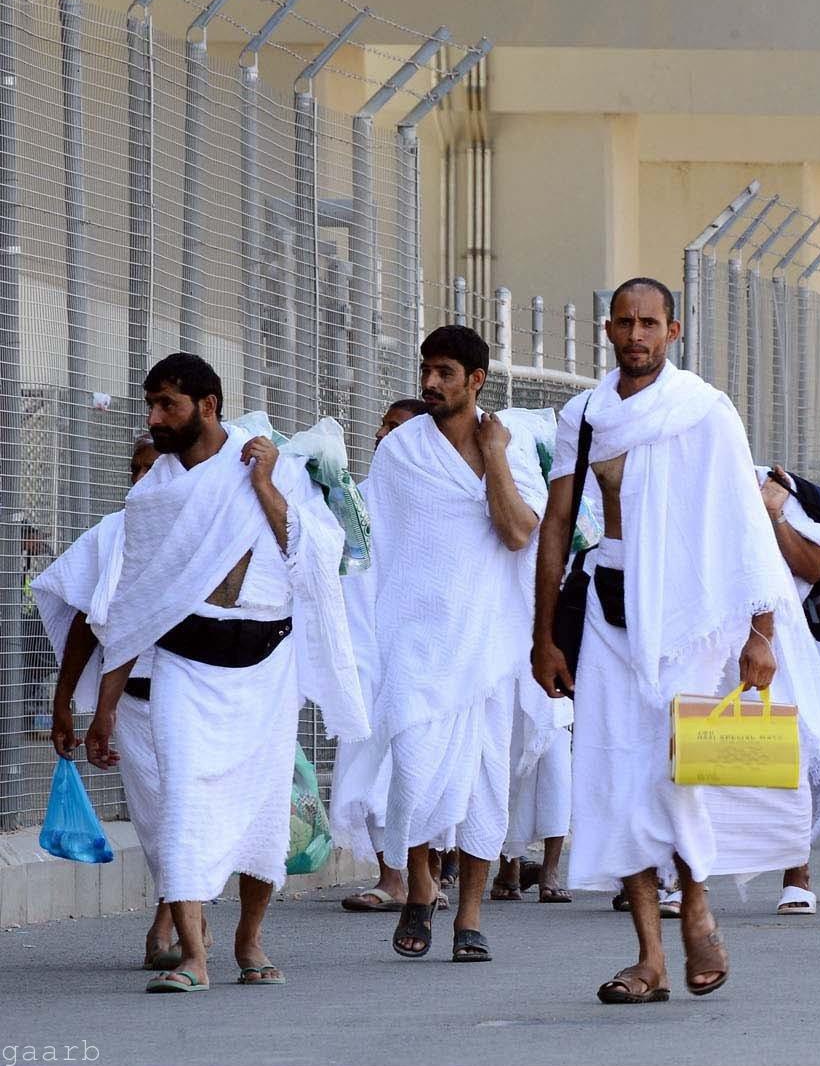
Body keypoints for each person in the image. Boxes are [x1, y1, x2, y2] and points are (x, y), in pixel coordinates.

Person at [530, 278, 820, 1005]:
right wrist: (542, 635)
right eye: (624, 323)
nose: (635, 335)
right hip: (608, 614)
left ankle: (695, 901)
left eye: (649, 323)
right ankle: (648, 958)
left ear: (673, 331)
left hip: (691, 618)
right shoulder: (583, 416)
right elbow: (556, 524)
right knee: (614, 781)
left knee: (677, 772)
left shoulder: (704, 411)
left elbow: (743, 521)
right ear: (607, 330)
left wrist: (760, 634)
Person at [86, 352, 369, 993]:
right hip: (185, 668)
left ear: (208, 406)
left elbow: (318, 555)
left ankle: (249, 940)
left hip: (267, 668)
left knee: (263, 811)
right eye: (151, 404)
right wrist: (104, 707)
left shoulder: (270, 464)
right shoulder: (151, 495)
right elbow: (134, 604)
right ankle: (193, 954)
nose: (155, 418)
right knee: (184, 800)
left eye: (168, 405)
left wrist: (266, 488)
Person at [361, 326, 548, 964]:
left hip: (488, 643)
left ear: (476, 381)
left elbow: (521, 532)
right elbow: (377, 540)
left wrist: (494, 454)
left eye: (445, 372)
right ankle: (417, 885)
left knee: (483, 783)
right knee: (412, 773)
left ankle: (469, 914)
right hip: (415, 637)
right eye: (426, 372)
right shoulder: (401, 452)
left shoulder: (509, 449)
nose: (431, 384)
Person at [36, 435, 196, 970]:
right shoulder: (113, 534)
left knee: (189, 812)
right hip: (131, 701)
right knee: (155, 819)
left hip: (199, 698)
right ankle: (176, 914)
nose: (143, 479)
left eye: (155, 468)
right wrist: (66, 703)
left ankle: (176, 922)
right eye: (136, 469)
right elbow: (87, 617)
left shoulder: (209, 532)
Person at [336, 399, 430, 914]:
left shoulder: (439, 498)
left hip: (421, 653)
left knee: (413, 765)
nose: (381, 434)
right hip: (366, 651)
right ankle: (392, 875)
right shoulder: (356, 500)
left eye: (396, 428)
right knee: (370, 762)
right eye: (382, 426)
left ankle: (420, 875)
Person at [756, 464, 820, 915]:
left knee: (791, 753)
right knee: (695, 748)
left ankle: (797, 872)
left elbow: (813, 565)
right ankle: (682, 876)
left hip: (780, 638)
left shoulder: (771, 488)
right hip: (708, 633)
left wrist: (773, 515)